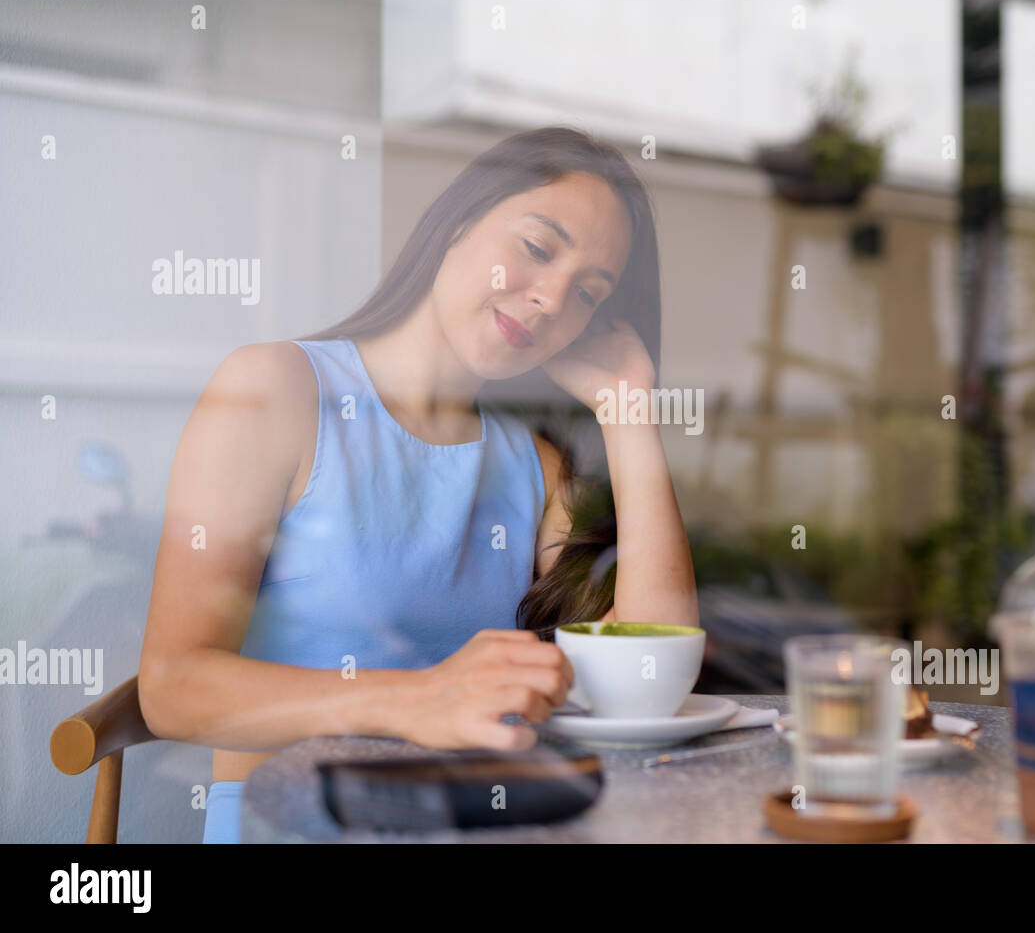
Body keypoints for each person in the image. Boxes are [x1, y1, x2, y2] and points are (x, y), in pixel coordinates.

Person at [137, 126, 699, 843]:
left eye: (588, 293)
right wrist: (416, 699)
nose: (552, 300)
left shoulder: (535, 464)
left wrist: (627, 414)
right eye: (536, 248)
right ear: (460, 219)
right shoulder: (275, 391)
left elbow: (648, 668)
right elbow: (171, 687)